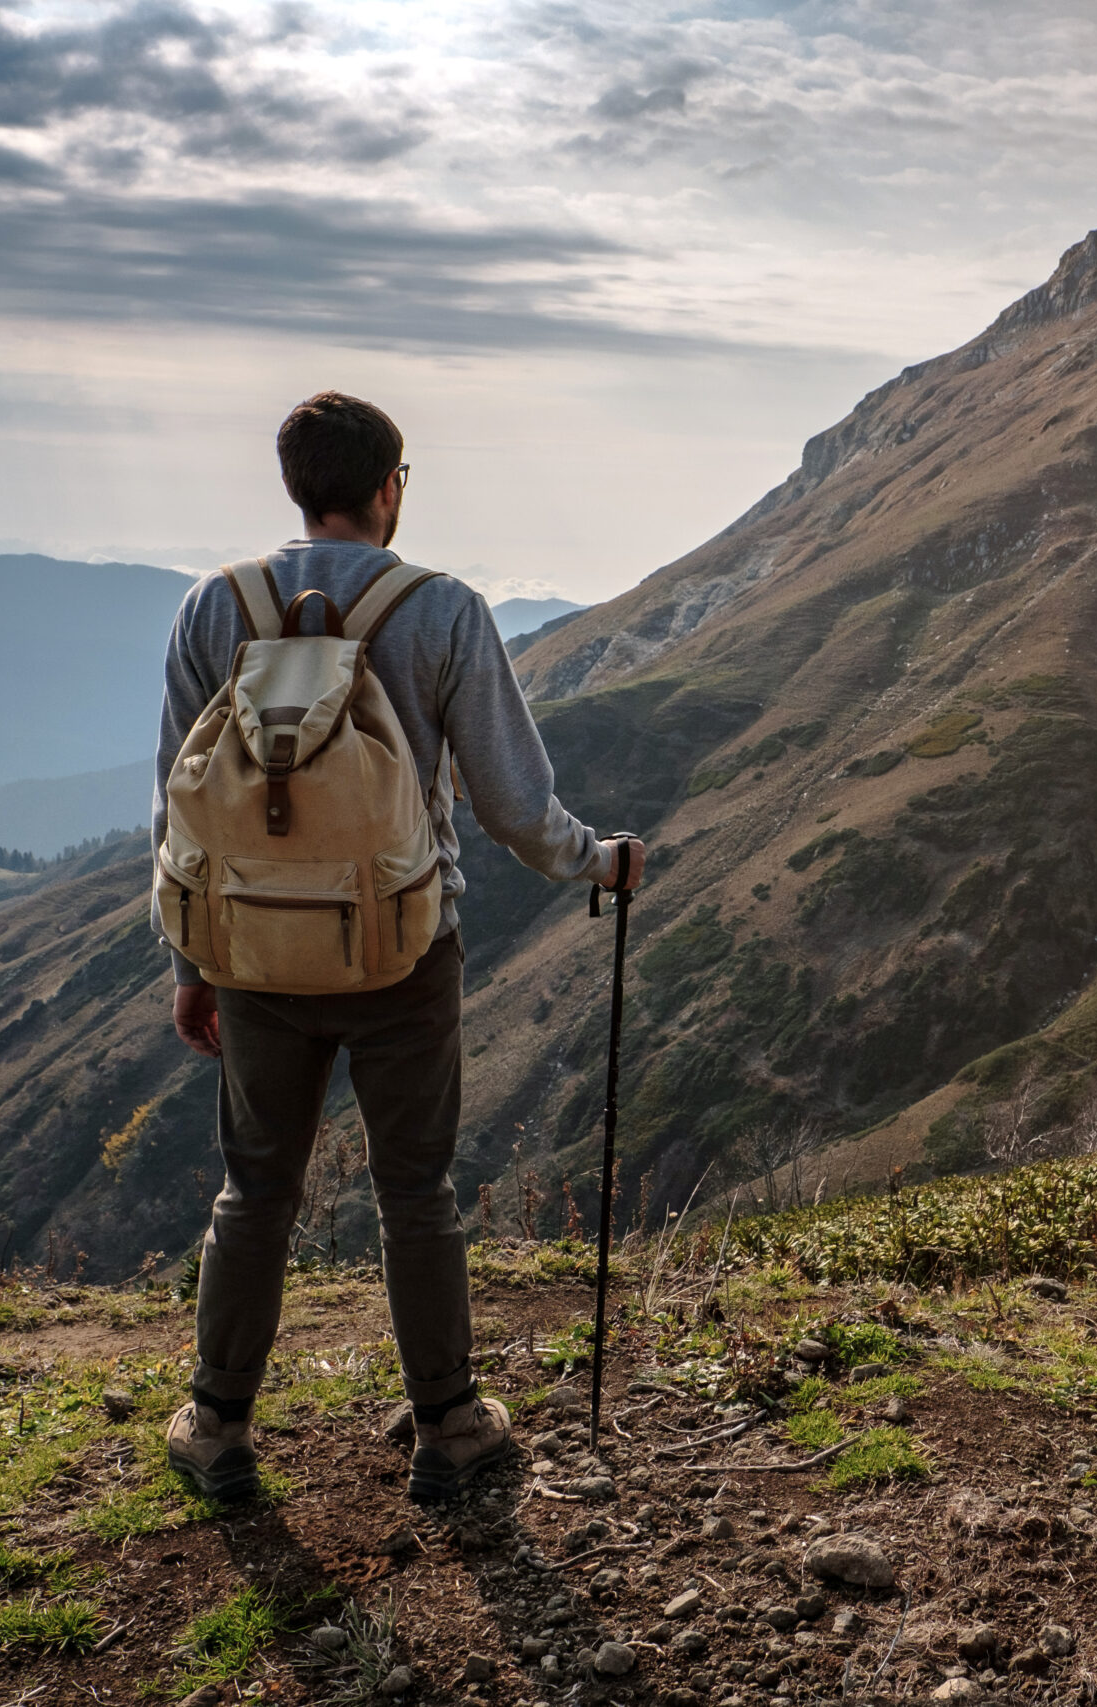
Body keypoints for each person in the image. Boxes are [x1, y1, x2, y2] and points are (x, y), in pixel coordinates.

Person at [151, 390, 641, 1503]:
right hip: (403, 952)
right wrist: (597, 862)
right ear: (390, 488)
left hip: (251, 955)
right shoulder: (443, 612)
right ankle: (449, 1426)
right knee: (414, 1190)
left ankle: (219, 1423)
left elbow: (176, 806)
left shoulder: (208, 608)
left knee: (254, 1189)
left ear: (293, 486)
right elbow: (514, 806)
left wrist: (188, 961)